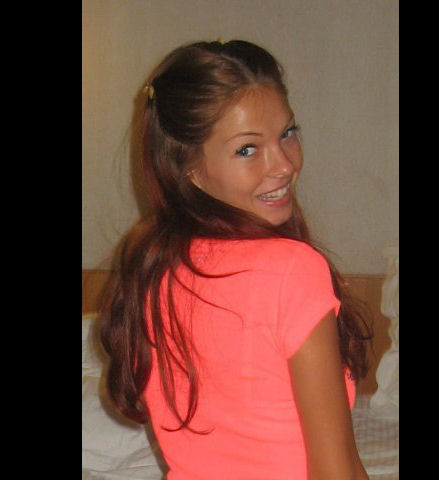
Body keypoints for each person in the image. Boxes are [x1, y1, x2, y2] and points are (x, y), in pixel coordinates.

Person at [100, 39, 372, 479]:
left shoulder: (149, 260)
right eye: (247, 149)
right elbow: (335, 472)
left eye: (287, 133)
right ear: (190, 166)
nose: (283, 165)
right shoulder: (293, 270)